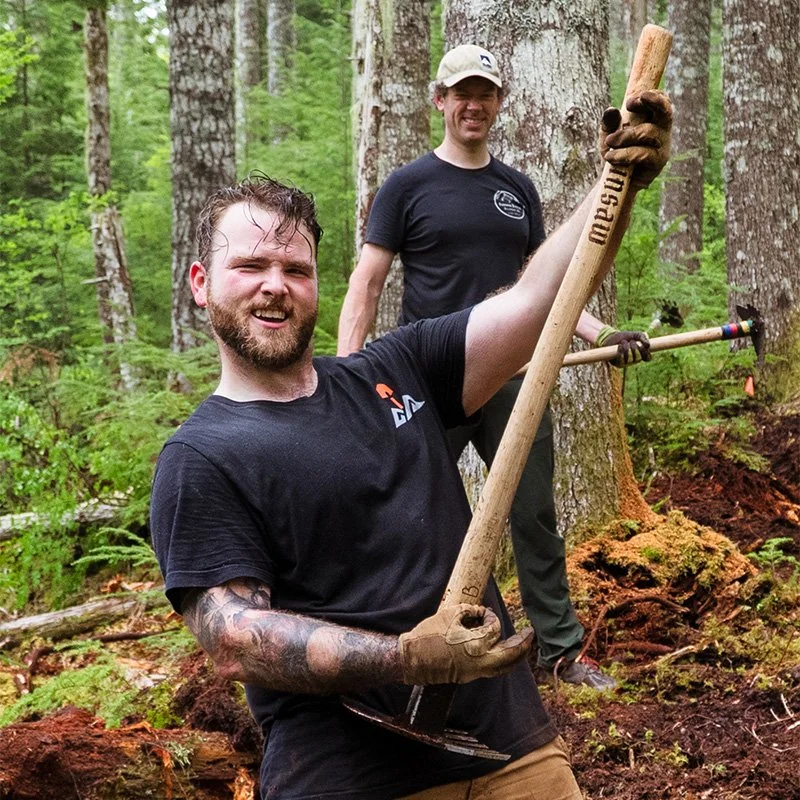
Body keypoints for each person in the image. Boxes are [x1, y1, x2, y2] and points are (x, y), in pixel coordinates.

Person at [149, 86, 670, 799]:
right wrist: (404, 656)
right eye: (251, 268)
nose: (276, 287)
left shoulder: (395, 368)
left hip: (510, 752)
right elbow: (235, 636)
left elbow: (538, 298)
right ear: (202, 286)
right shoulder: (201, 457)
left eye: (295, 270)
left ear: (315, 286)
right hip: (347, 776)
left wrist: (618, 181)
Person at [337, 44, 653, 691]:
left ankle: (560, 650)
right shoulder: (408, 185)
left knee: (533, 513)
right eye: (462, 93)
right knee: (408, 512)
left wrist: (603, 331)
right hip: (431, 383)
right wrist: (348, 378)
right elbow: (367, 283)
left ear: (499, 102)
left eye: (485, 93)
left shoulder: (515, 190)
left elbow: (545, 284)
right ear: (441, 101)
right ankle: (395, 644)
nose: (473, 104)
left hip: (514, 378)